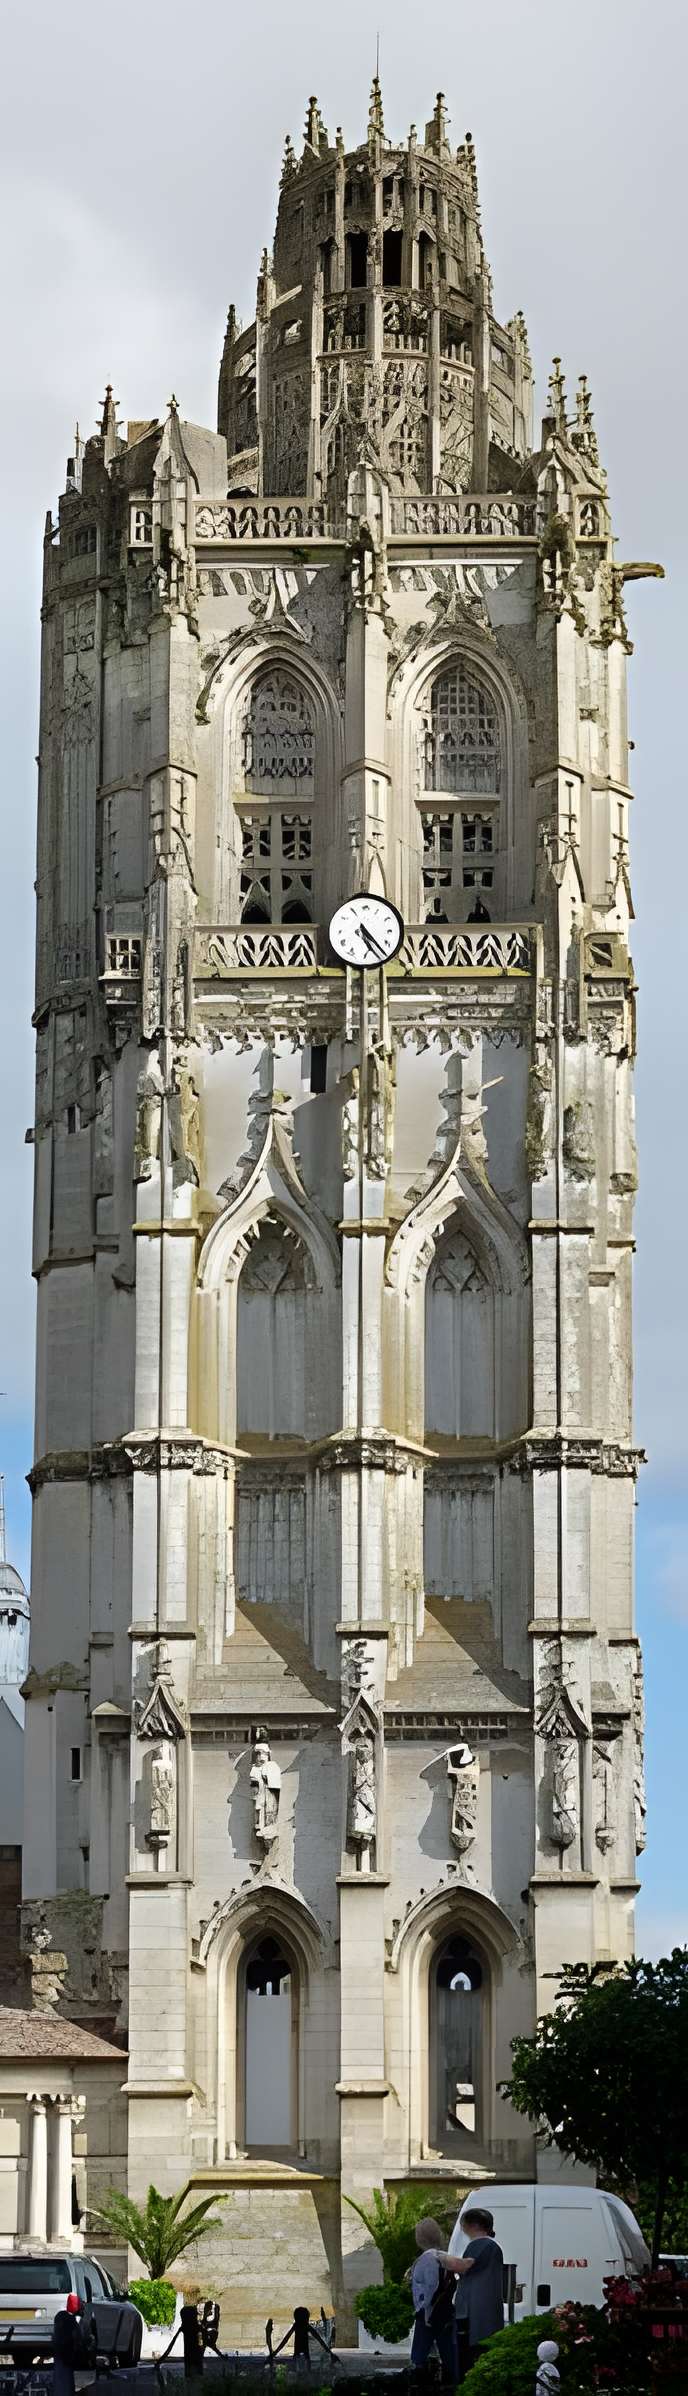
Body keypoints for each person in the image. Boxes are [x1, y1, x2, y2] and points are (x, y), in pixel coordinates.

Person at [434, 2206, 505, 2376]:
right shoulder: (489, 2246)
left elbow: (463, 2266)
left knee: (470, 2361)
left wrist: (436, 2255)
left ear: (472, 2225)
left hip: (476, 2315)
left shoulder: (482, 2244)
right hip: (479, 2314)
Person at [409, 2217, 458, 2383]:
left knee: (419, 2357)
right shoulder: (444, 2256)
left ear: (420, 2237)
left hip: (429, 2313)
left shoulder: (428, 2259)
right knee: (449, 2355)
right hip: (444, 2312)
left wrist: (425, 2310)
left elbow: (431, 2286)